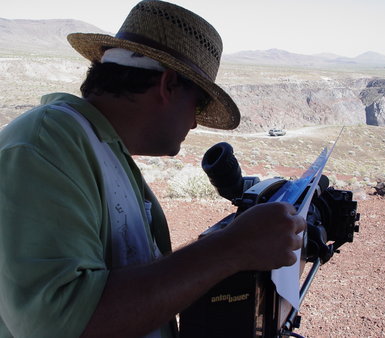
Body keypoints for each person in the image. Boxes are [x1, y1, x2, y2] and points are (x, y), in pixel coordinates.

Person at [0, 1, 305, 337]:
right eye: (199, 103)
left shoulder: (101, 151)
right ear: (168, 85)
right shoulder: (45, 146)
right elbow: (61, 322)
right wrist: (231, 247)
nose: (195, 122)